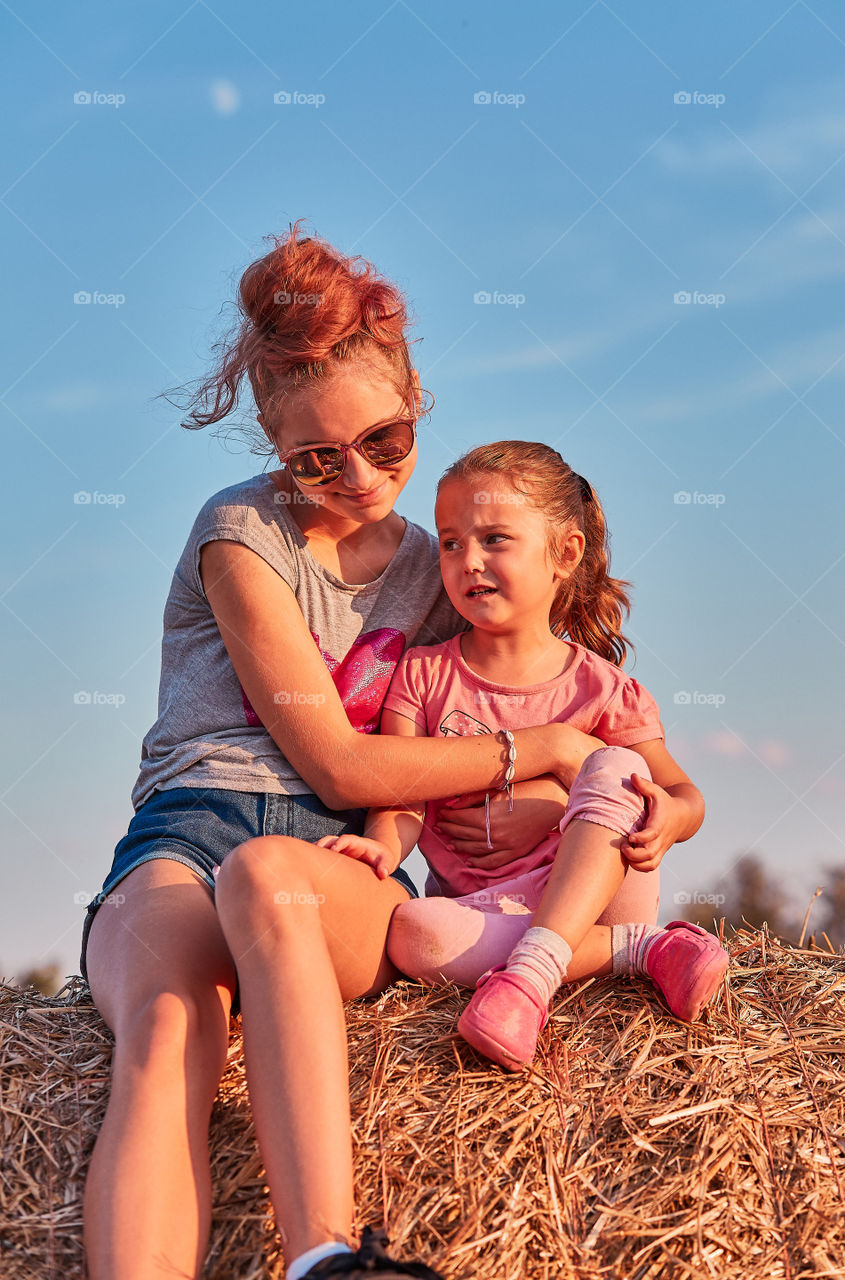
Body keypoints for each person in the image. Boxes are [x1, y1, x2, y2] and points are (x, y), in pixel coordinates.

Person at [78, 228, 607, 1280]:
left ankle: (327, 1256)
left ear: (416, 396)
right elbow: (338, 762)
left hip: (342, 862)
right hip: (192, 827)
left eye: (386, 440)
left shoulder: (442, 565)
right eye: (315, 459)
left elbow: (539, 680)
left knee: (275, 883)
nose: (356, 475)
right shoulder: (240, 534)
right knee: (169, 1018)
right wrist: (537, 749)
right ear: (273, 443)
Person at [320, 441, 730, 1071]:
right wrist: (382, 844)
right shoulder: (422, 675)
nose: (468, 561)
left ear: (564, 553)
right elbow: (401, 791)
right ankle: (638, 951)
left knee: (619, 768)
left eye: (495, 539)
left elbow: (683, 795)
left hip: (600, 887)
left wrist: (671, 818)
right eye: (451, 543)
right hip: (483, 915)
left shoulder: (601, 688)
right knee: (412, 934)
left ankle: (528, 981)